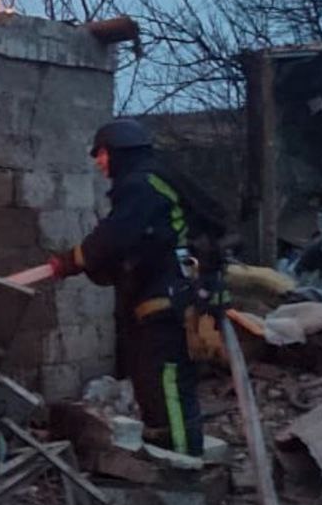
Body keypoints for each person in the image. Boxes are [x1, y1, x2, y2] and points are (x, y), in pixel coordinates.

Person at [47, 118, 204, 457]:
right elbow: (132, 243)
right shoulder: (149, 180)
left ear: (119, 152)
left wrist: (71, 261)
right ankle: (163, 445)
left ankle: (183, 458)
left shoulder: (142, 185)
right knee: (150, 379)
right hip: (155, 296)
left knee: (167, 381)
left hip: (166, 299)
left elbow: (114, 237)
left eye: (102, 154)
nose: (100, 162)